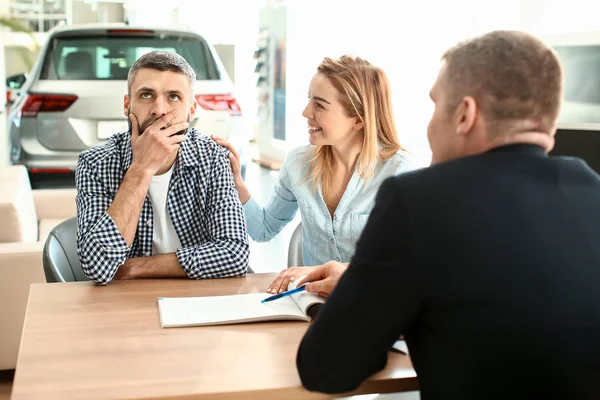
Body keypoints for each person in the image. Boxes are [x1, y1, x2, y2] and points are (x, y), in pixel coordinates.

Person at [294, 30, 600, 399]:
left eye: (436, 106)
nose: (430, 125)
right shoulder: (592, 192)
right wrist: (365, 283)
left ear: (465, 115)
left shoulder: (417, 201)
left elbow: (326, 368)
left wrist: (364, 295)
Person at [213, 55, 418, 294]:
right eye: (309, 100)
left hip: (374, 303)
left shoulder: (400, 172)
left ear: (358, 120)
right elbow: (264, 228)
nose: (305, 112)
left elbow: (404, 264)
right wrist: (237, 184)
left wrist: (322, 272)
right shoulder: (299, 163)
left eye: (320, 105)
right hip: (313, 304)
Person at [76, 51, 249, 285]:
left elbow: (235, 254)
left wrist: (137, 267)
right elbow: (97, 266)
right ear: (127, 105)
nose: (159, 109)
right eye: (146, 95)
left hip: (197, 298)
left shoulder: (214, 158)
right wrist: (142, 169)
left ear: (192, 109)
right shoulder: (95, 164)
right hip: (125, 303)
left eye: (174, 97)